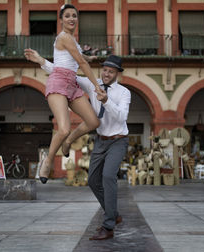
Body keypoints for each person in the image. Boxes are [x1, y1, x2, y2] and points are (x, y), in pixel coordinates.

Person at [25, 49, 131, 240]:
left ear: (118, 74)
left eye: (111, 72)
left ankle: (108, 227)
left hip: (118, 140)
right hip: (100, 141)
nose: (106, 74)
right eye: (105, 70)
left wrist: (106, 101)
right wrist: (41, 61)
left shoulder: (124, 93)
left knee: (108, 176)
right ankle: (113, 214)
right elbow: (66, 74)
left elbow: (122, 117)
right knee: (92, 180)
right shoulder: (93, 84)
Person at [25, 4, 102, 184]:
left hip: (72, 84)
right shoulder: (64, 37)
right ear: (61, 20)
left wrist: (89, 57)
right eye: (67, 16)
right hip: (58, 82)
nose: (71, 19)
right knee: (64, 128)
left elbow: (73, 60)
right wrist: (96, 86)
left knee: (93, 122)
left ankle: (68, 142)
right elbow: (81, 63)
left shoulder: (73, 41)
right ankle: (48, 160)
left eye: (74, 16)